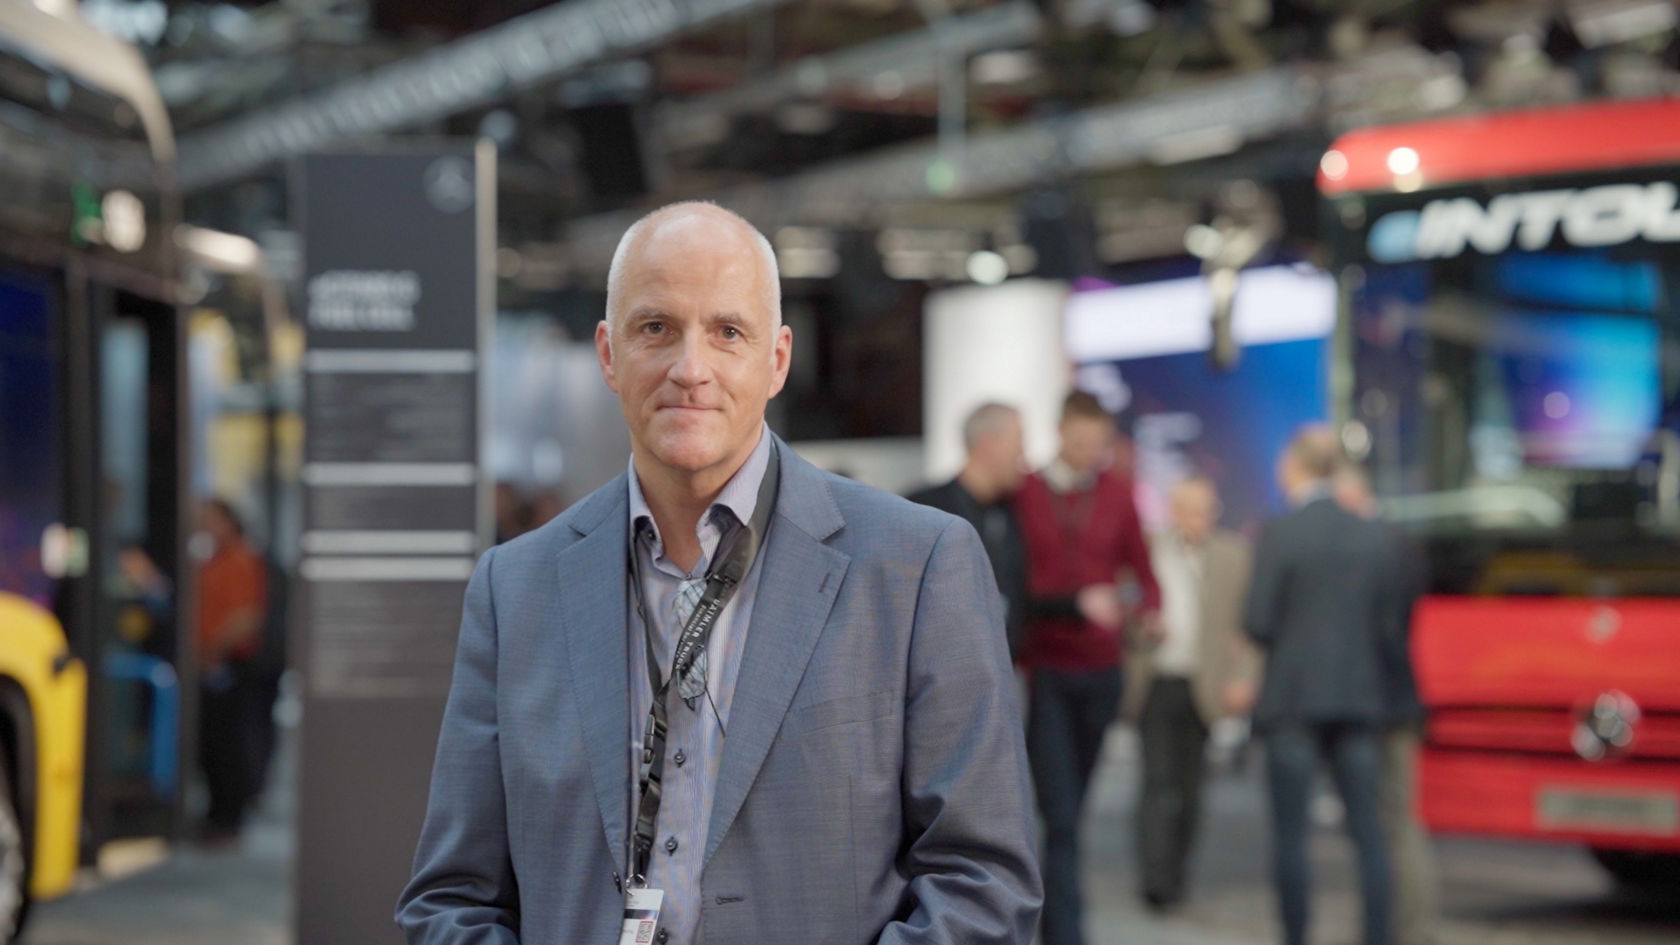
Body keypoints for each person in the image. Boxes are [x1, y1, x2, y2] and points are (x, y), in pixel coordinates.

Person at [397, 202, 1041, 945]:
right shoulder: (515, 589)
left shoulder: (916, 566)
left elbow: (983, 887)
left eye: (728, 332)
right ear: (609, 354)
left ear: (778, 360)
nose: (690, 369)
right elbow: (452, 898)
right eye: (655, 328)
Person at [1014, 390, 1160, 945]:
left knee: (1073, 808)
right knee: (1061, 814)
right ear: (1060, 431)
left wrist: (1147, 611)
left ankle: (1060, 919)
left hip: (1102, 672)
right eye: (1079, 440)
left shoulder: (1119, 494)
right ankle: (1066, 931)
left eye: (1096, 443)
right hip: (1047, 669)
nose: (1087, 451)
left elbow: (1143, 572)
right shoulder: (1025, 492)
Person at [1244, 427, 1400, 945]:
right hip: (1359, 699)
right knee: (1369, 832)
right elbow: (1390, 626)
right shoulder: (1372, 535)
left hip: (1293, 698)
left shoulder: (1280, 532)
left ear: (1295, 466)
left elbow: (1258, 621)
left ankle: (1296, 936)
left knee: (1291, 836)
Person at [1123, 476, 1256, 911]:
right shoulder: (1148, 552)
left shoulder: (1234, 556)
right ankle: (1154, 880)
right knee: (1156, 783)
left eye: (1205, 510)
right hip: (1157, 682)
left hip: (1204, 686)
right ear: (1174, 511)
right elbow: (1125, 611)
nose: (1198, 518)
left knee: (1192, 789)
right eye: (1189, 509)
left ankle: (1177, 876)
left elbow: (1248, 627)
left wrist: (1243, 677)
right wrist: (1141, 629)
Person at [1333, 464, 1437, 945]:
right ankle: (1402, 927)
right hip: (1396, 702)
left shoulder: (1374, 550)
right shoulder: (1401, 544)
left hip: (1379, 705)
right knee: (1394, 822)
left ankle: (1403, 929)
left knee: (1389, 823)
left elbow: (1379, 632)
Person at [907, 402, 1029, 656]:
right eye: (1018, 441)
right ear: (989, 443)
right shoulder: (923, 510)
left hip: (1005, 663)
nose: (1023, 454)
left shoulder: (1012, 511)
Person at [196, 497, 267, 843]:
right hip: (212, 661)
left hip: (229, 664)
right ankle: (217, 815)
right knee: (212, 745)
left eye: (211, 519)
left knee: (229, 746)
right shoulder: (214, 560)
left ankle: (228, 819)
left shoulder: (240, 559)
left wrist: (215, 651)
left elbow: (246, 616)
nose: (205, 526)